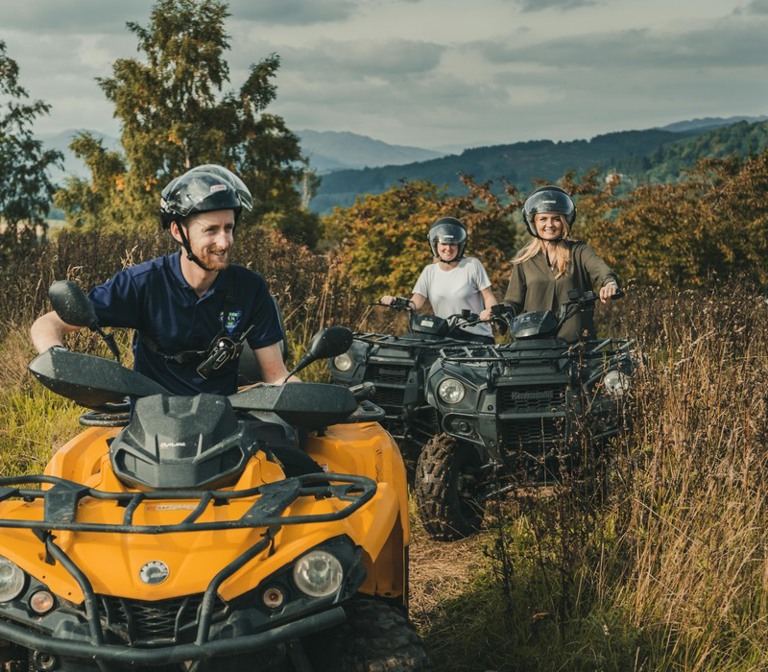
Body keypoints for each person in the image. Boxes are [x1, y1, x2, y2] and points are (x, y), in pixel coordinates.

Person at [31, 164, 297, 396]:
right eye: (211, 230)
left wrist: (307, 396)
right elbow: (47, 324)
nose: (224, 241)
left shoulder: (249, 288)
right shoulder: (142, 283)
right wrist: (60, 360)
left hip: (224, 421)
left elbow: (275, 375)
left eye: (228, 228)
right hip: (151, 424)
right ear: (178, 231)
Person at [504, 185, 620, 342]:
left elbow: (600, 269)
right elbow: (513, 301)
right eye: (543, 219)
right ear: (533, 223)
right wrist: (499, 313)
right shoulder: (524, 259)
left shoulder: (579, 251)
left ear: (565, 221)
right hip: (534, 345)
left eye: (556, 219)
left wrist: (609, 283)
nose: (549, 225)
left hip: (576, 344)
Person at [380, 217, 498, 344]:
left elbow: (488, 297)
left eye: (452, 243)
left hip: (476, 336)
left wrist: (489, 311)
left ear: (460, 245)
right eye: (444, 243)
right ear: (435, 245)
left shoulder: (472, 265)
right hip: (445, 336)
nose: (448, 248)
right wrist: (395, 301)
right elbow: (415, 303)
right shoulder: (429, 271)